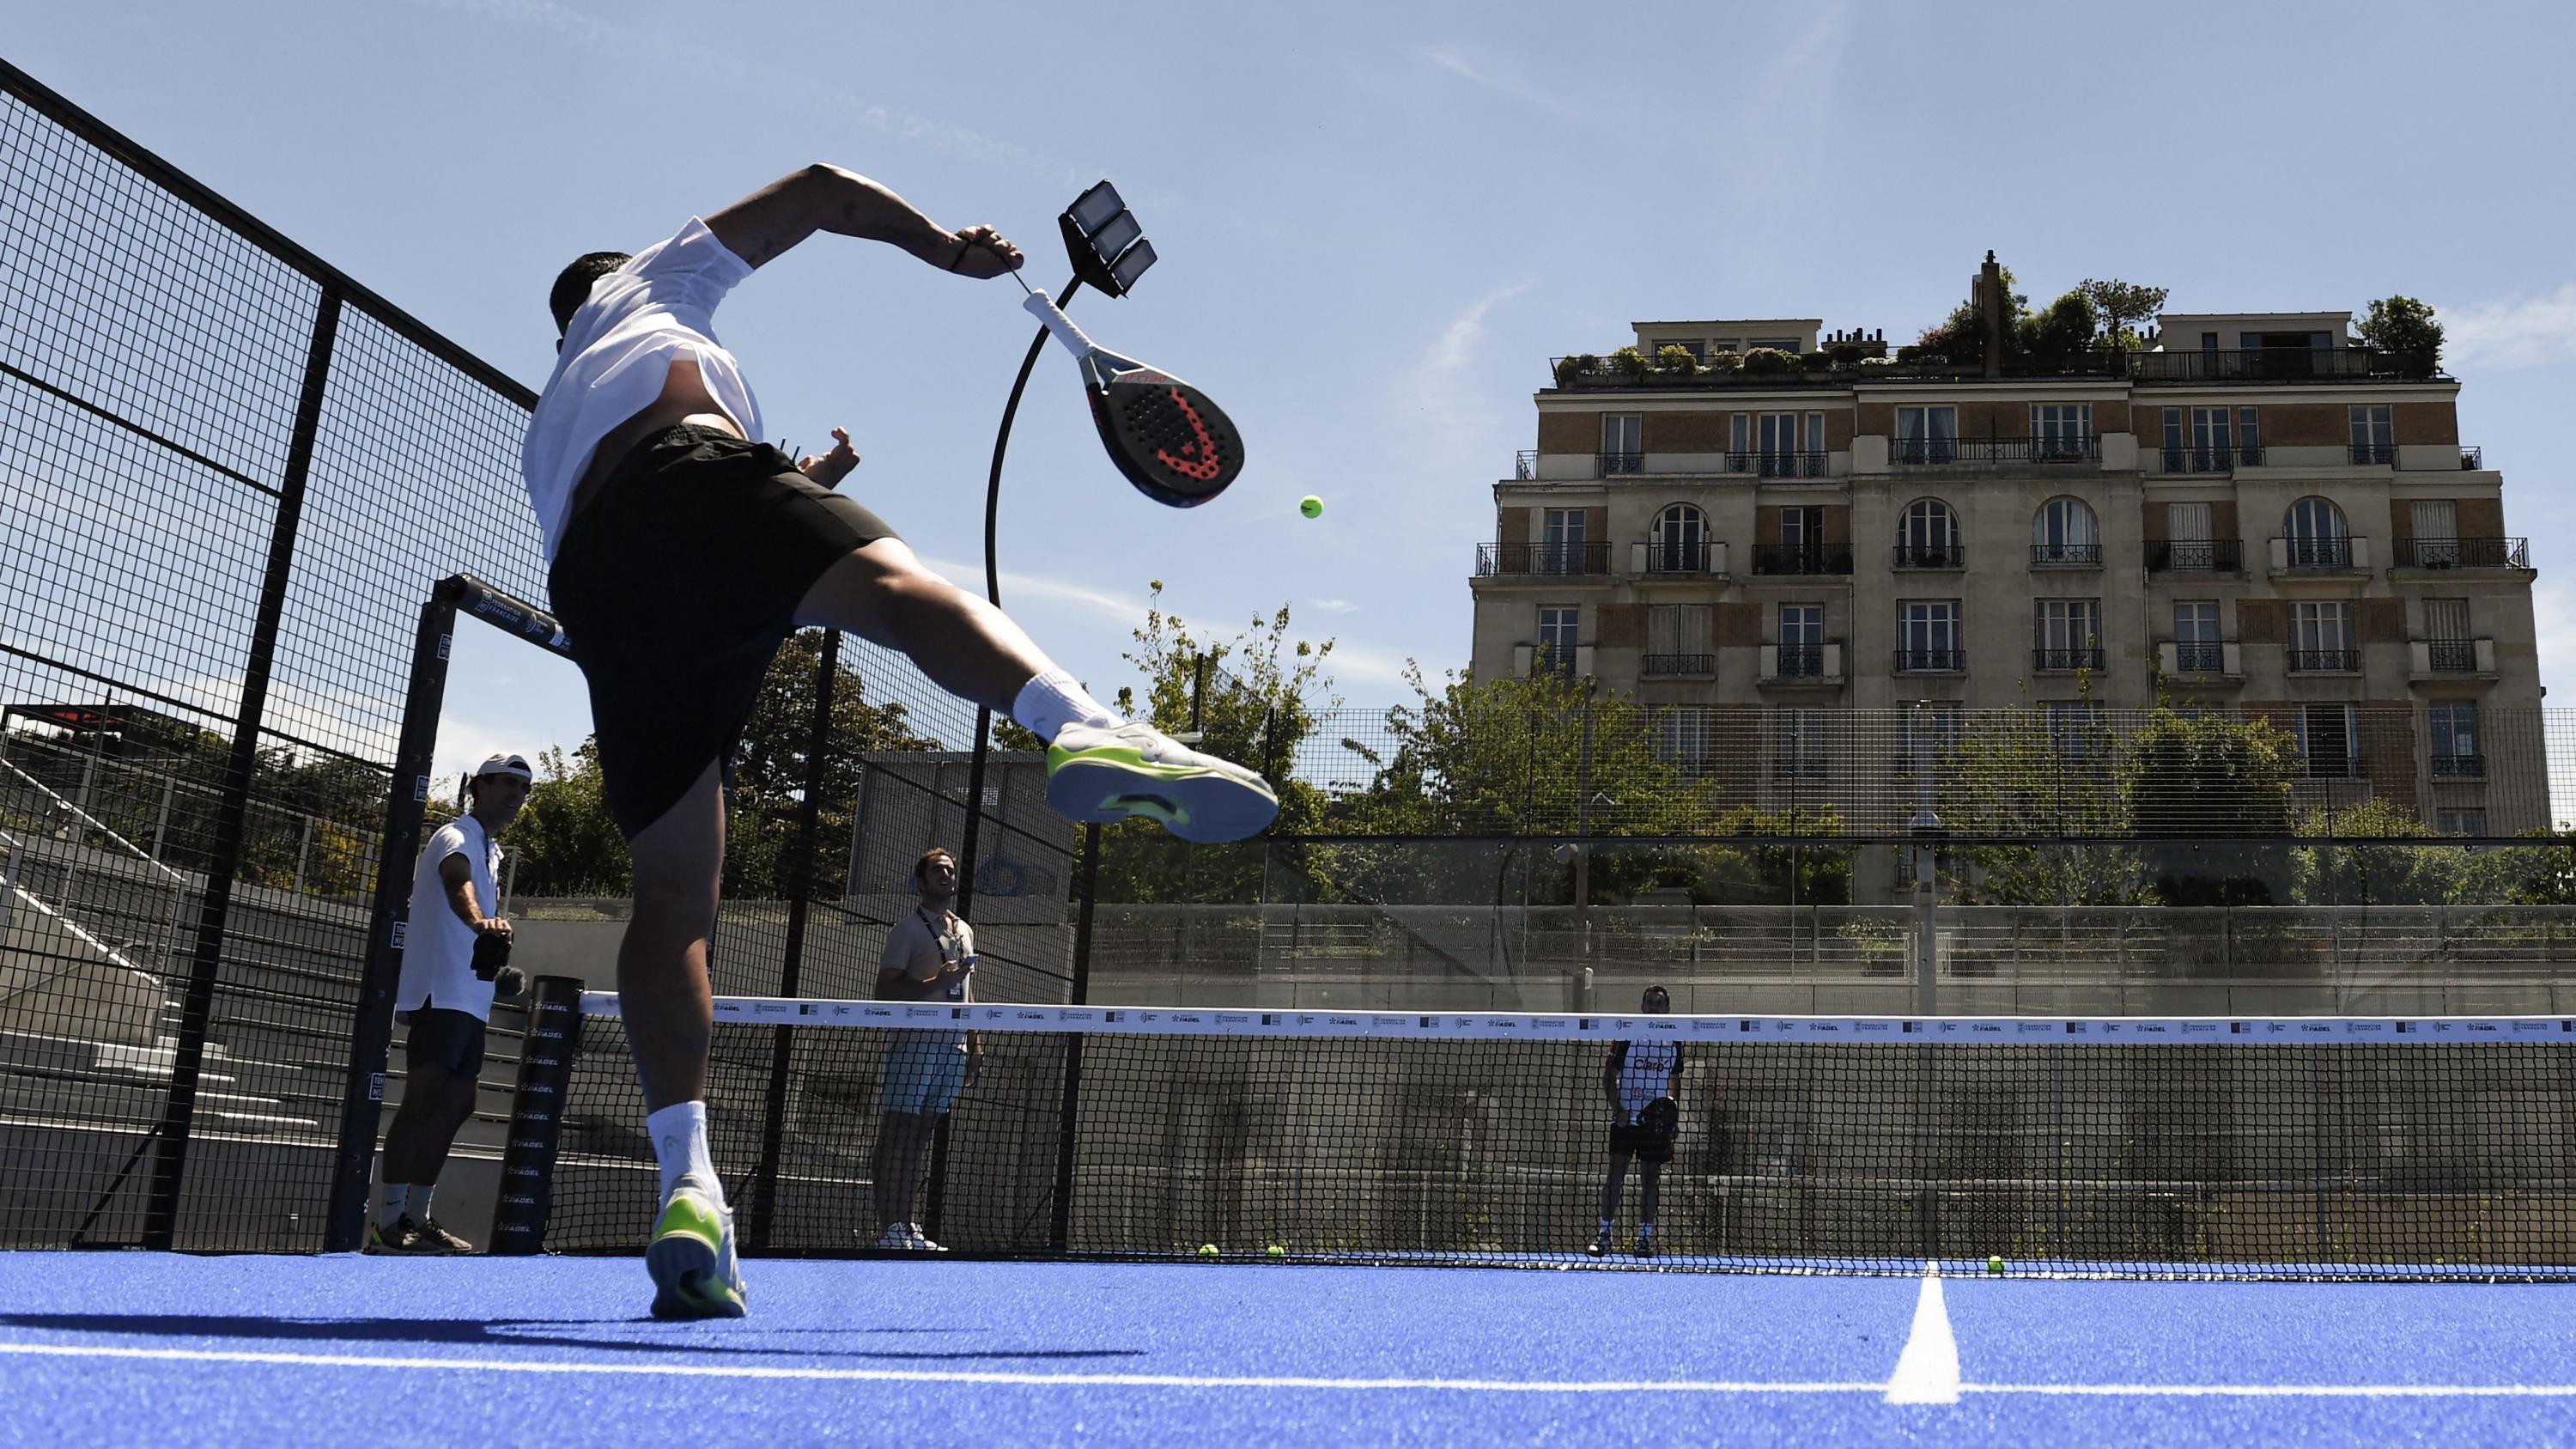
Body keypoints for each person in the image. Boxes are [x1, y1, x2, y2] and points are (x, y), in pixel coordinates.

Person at [526, 165, 1279, 1318]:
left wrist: (795, 484)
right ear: (610, 276)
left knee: (672, 898)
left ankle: (690, 1183)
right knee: (892, 578)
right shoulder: (646, 285)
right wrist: (946, 249)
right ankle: (1077, 722)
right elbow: (822, 188)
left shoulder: (553, 419)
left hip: (601, 586)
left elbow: (686, 536)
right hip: (695, 475)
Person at [370, 753, 532, 1255]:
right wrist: (481, 922)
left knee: (459, 1102)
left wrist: (496, 964)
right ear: (477, 787)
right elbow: (454, 880)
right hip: (440, 993)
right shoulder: (456, 835)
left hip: (471, 1000)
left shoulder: (494, 851)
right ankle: (388, 1223)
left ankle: (416, 1217)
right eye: (505, 783)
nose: (514, 795)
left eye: (522, 788)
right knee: (424, 1097)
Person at [869, 847, 980, 1252]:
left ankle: (907, 1225)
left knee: (920, 1138)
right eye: (938, 870)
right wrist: (934, 982)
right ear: (921, 882)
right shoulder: (908, 931)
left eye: (951, 870)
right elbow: (885, 990)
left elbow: (968, 995)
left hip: (953, 1049)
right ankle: (890, 1229)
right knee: (898, 1134)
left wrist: (975, 1042)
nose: (946, 875)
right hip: (914, 1045)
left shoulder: (964, 931)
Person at [1589, 984, 1682, 1260]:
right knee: (1615, 1174)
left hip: (1655, 1124)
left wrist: (1671, 1114)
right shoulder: (1627, 1035)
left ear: (1667, 1009)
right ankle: (1605, 1235)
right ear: (1642, 1007)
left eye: (1659, 1003)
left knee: (1651, 1179)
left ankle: (1645, 1239)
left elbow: (1674, 1080)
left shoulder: (1675, 1039)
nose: (1654, 1007)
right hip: (1626, 1119)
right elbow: (1609, 1077)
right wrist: (1618, 1108)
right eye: (1649, 1003)